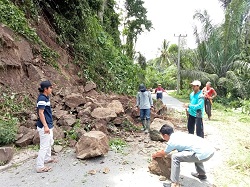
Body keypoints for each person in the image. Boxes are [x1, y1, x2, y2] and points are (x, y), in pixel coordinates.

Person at [36, 80, 56, 173]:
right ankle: (40, 166)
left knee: (49, 141)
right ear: (45, 89)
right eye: (50, 87)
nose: (51, 89)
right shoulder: (42, 99)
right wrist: (45, 126)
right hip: (45, 125)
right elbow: (41, 113)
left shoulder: (45, 97)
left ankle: (47, 158)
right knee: (44, 146)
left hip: (48, 124)